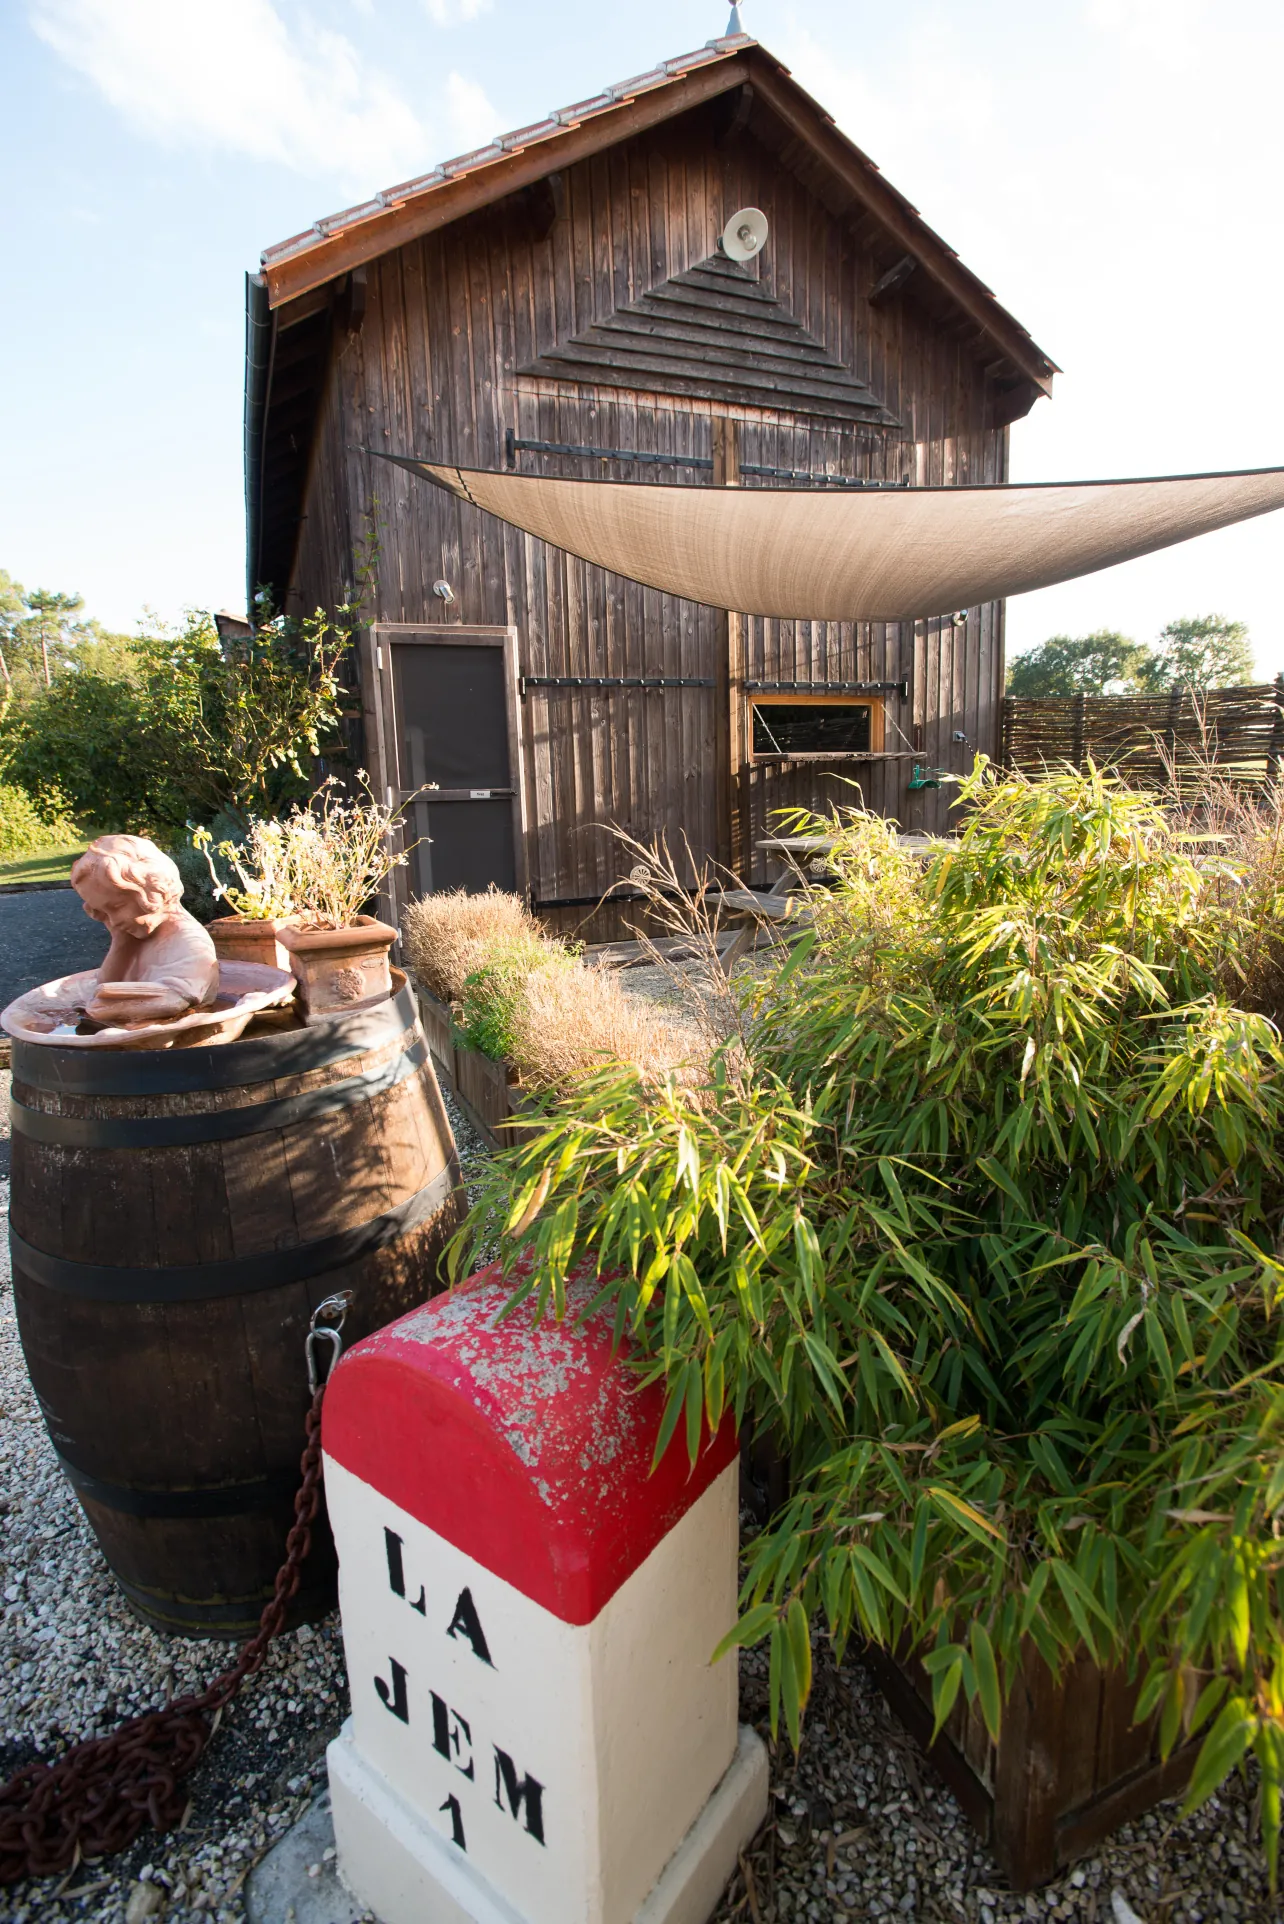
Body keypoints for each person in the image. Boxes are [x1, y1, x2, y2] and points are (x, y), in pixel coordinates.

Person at [71, 835, 219, 1026]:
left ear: (153, 891)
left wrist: (106, 1009)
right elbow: (102, 986)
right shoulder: (133, 937)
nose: (113, 922)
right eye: (103, 913)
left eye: (116, 907)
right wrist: (120, 943)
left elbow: (175, 1000)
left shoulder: (189, 940)